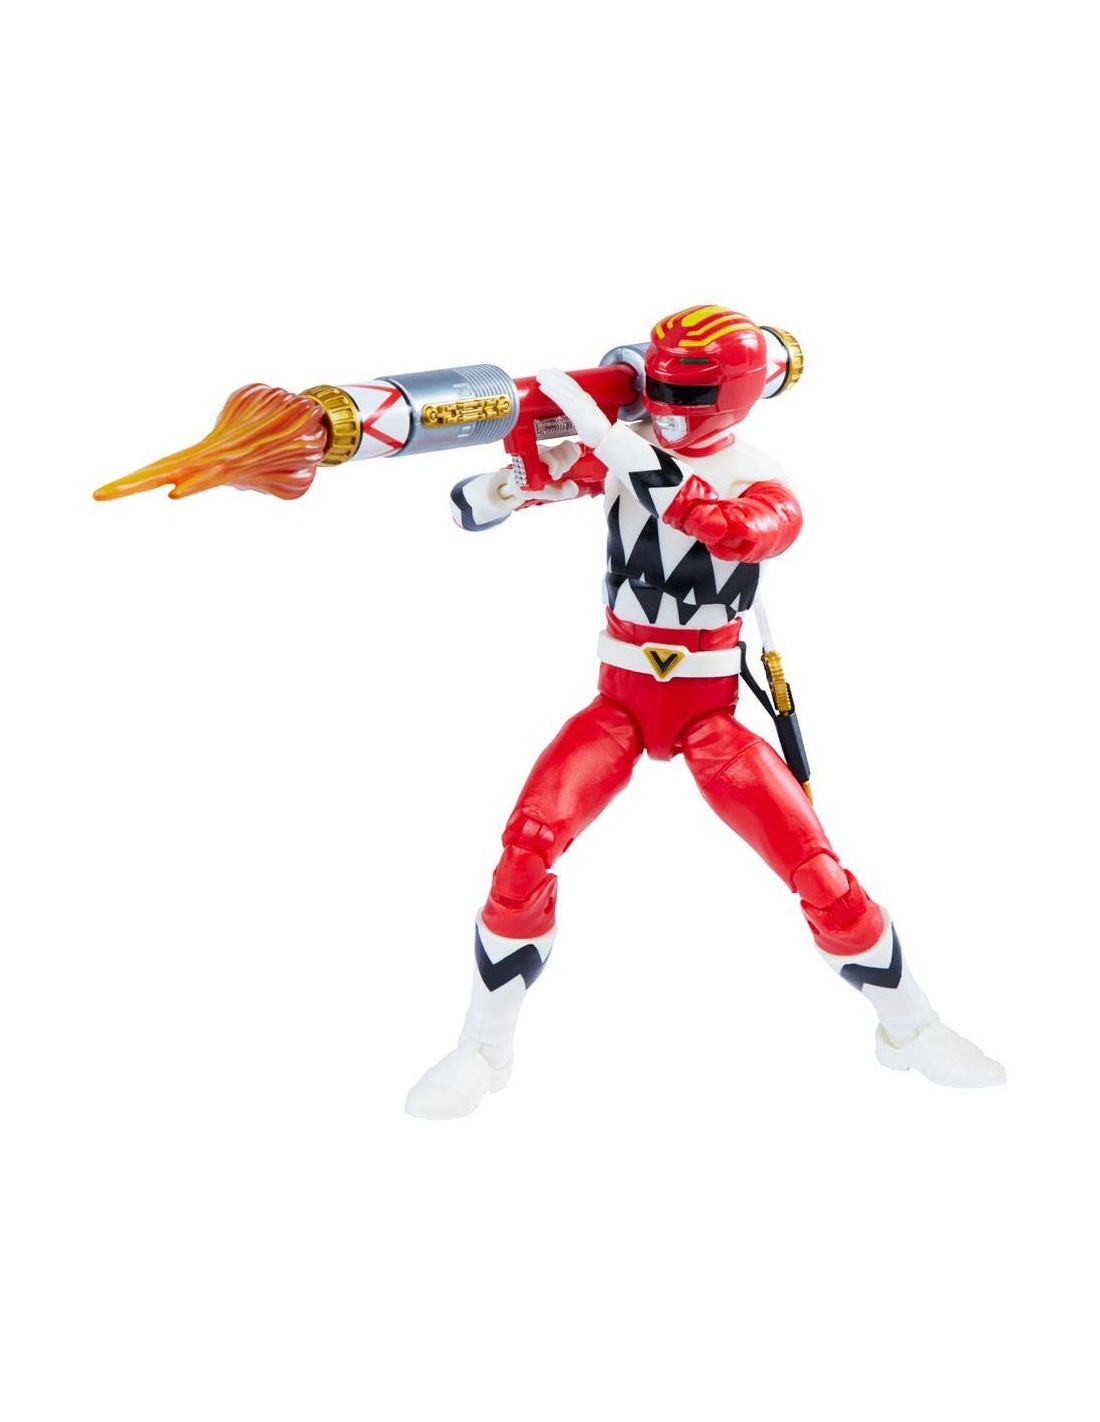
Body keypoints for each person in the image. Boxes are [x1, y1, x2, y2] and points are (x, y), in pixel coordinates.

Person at [405, 305, 1004, 1118]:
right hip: (619, 703)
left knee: (818, 872)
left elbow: (723, 527)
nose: (667, 405)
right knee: (525, 850)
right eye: (657, 386)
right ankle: (483, 1047)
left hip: (708, 715)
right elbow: (469, 510)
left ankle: (912, 1027)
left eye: (686, 390)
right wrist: (516, 478)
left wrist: (608, 437)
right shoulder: (622, 457)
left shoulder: (762, 483)